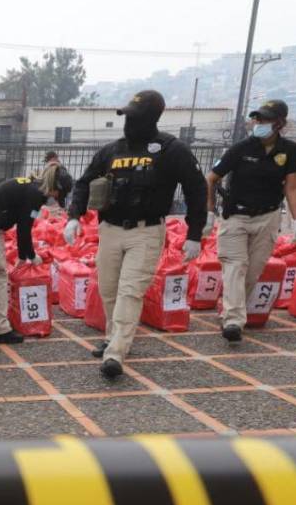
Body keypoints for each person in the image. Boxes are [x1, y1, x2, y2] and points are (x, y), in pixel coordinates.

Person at [66, 90, 207, 378]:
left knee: (130, 291)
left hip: (146, 231)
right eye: (126, 116)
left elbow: (196, 189)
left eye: (134, 117)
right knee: (108, 289)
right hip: (110, 230)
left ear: (152, 118)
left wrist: (195, 232)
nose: (128, 122)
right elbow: (83, 183)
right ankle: (112, 336)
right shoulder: (112, 151)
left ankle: (115, 352)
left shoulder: (170, 149)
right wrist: (73, 216)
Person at [207, 99, 296, 343]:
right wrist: (209, 213)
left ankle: (231, 309)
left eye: (265, 119)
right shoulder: (241, 148)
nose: (259, 123)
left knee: (252, 271)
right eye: (257, 119)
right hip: (235, 217)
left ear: (280, 123)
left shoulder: (291, 151)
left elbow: (293, 187)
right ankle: (233, 320)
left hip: (267, 217)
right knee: (235, 266)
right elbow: (211, 178)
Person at [0, 166, 73, 344]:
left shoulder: (31, 188)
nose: (57, 198)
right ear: (54, 188)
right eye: (59, 193)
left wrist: (24, 254)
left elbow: (23, 225)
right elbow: (24, 228)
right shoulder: (35, 194)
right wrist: (29, 255)